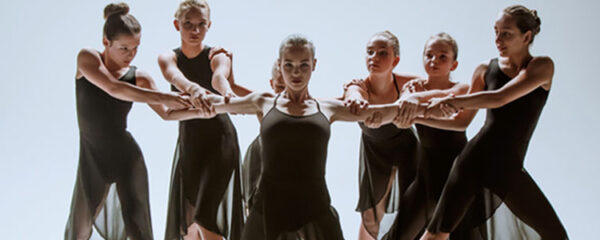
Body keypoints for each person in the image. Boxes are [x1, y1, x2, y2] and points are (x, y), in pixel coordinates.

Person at [198, 34, 451, 240]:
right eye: (289, 65)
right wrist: (192, 94)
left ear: (314, 65)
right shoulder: (262, 102)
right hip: (268, 205)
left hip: (314, 203)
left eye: (303, 65)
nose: (296, 73)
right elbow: (218, 102)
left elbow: (378, 113)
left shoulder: (327, 107)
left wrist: (416, 106)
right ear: (280, 63)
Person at [418, 5, 569, 240]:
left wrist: (453, 101)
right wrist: (419, 116)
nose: (498, 39)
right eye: (496, 31)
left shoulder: (541, 67)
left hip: (507, 168)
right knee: (436, 234)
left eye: (506, 33)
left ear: (526, 36)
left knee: (555, 235)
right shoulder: (484, 70)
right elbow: (461, 123)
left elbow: (499, 98)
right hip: (473, 159)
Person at [65, 3, 207, 240]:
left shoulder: (139, 77)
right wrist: (164, 96)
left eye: (135, 48)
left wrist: (200, 112)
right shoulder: (87, 58)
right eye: (124, 48)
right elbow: (113, 88)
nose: (130, 55)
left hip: (127, 158)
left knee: (138, 228)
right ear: (105, 42)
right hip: (92, 159)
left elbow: (166, 113)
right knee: (80, 229)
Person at [157, 1, 249, 239]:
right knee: (189, 226)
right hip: (190, 144)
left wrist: (227, 92)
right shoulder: (168, 57)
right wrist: (193, 89)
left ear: (209, 26)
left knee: (205, 217)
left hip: (220, 141)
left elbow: (220, 77)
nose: (195, 30)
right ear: (177, 24)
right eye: (188, 23)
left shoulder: (217, 54)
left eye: (201, 25)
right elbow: (174, 76)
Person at [382, 33, 487, 240]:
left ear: (453, 64)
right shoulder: (412, 88)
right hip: (425, 176)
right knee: (398, 234)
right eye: (429, 55)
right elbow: (400, 114)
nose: (434, 61)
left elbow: (456, 117)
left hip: (457, 176)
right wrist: (410, 100)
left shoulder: (461, 88)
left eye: (442, 57)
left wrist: (417, 108)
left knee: (462, 235)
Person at [342, 31, 420, 239]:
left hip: (405, 149)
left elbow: (422, 90)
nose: (374, 58)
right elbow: (353, 93)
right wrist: (355, 98)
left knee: (411, 209)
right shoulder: (358, 86)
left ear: (395, 60)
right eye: (370, 52)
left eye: (382, 53)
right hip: (374, 153)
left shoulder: (408, 83)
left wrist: (410, 97)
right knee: (371, 214)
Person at [241, 61, 285, 216]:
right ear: (272, 84)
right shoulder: (266, 102)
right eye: (280, 87)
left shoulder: (309, 105)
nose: (283, 93)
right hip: (260, 159)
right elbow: (234, 89)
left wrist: (351, 90)